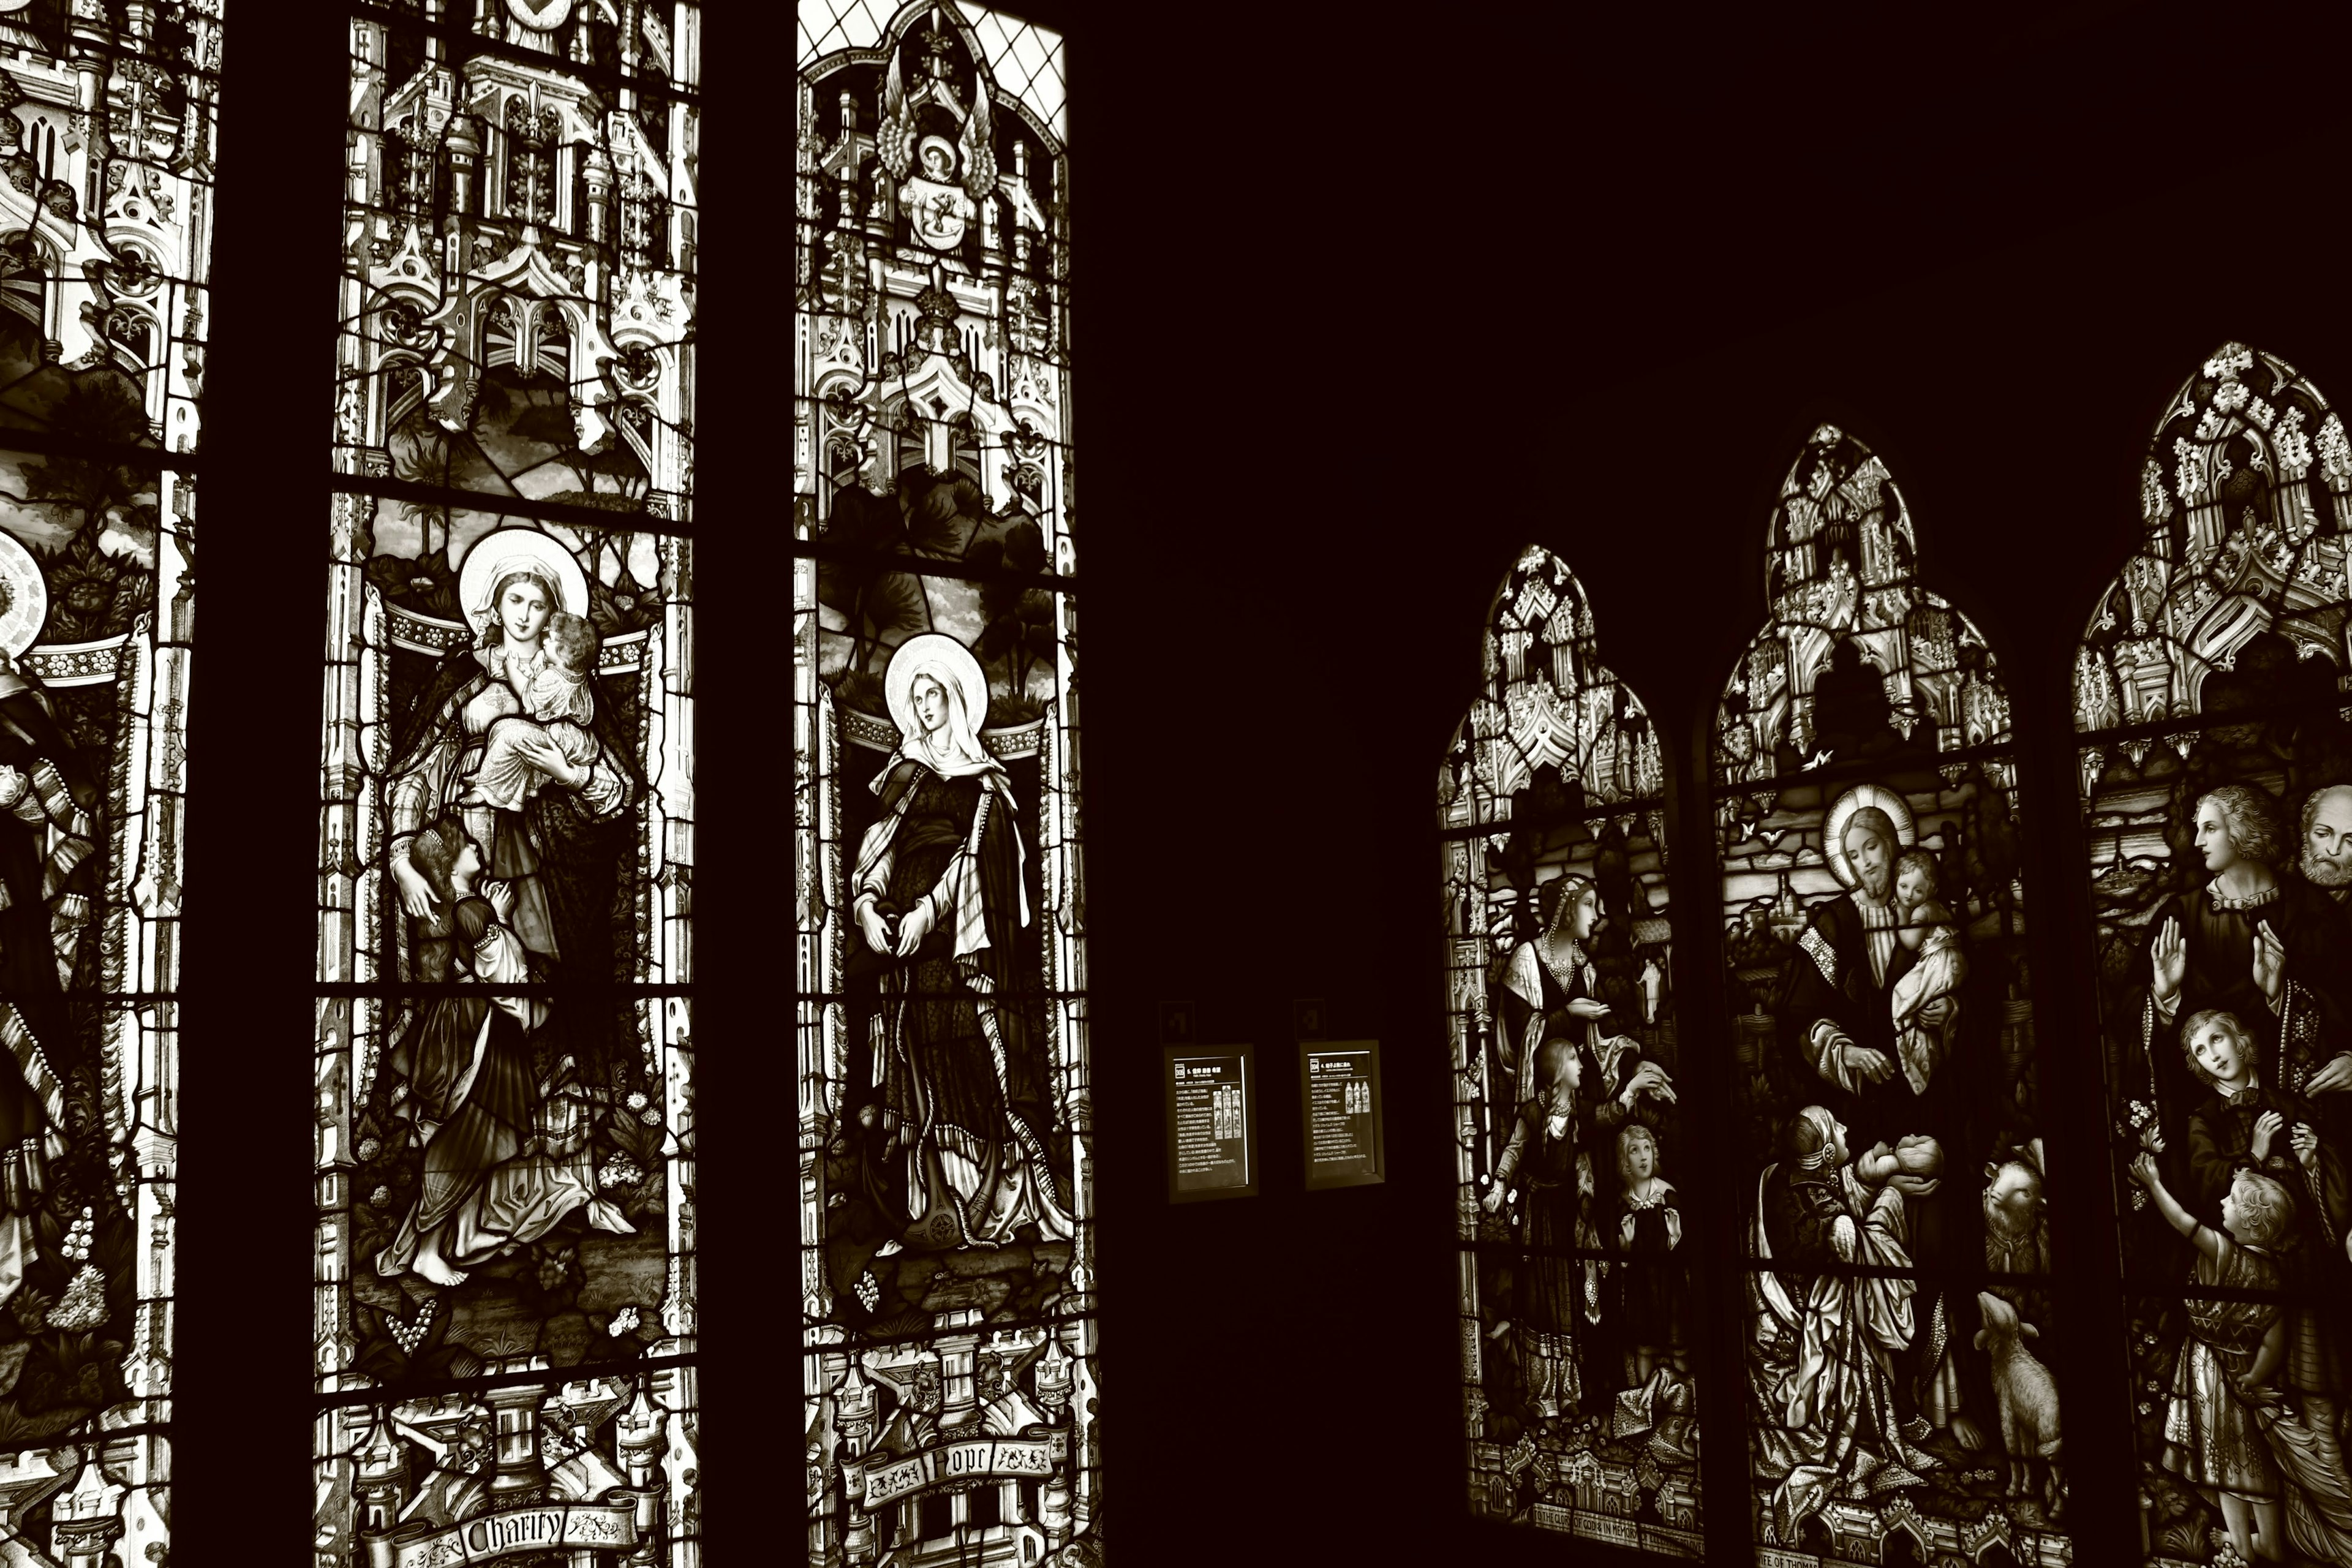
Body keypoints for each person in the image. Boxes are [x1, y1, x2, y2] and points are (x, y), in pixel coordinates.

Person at [381, 532, 638, 1060]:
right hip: (467, 843)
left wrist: (568, 775)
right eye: (515, 599)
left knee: (540, 974)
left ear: (554, 614)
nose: (524, 615)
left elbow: (617, 788)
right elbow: (415, 774)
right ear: (495, 602)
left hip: (543, 853)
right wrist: (402, 857)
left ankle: (554, 1082)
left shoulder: (575, 684)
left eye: (538, 603)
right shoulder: (461, 675)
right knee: (468, 975)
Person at [852, 633, 1071, 1251]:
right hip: (906, 946)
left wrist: (930, 912)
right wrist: (870, 904)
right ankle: (933, 1200)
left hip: (961, 945)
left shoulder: (985, 786)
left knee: (972, 1049)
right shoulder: (908, 778)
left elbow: (976, 862)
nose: (923, 708)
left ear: (954, 699)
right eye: (915, 698)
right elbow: (882, 849)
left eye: (932, 696)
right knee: (917, 1058)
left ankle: (992, 1195)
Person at [376, 815, 630, 1286]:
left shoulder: (470, 908)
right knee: (466, 1138)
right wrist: (505, 920)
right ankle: (426, 1251)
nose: (478, 846)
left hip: (477, 1031)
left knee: (475, 1139)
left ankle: (445, 1240)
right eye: (467, 845)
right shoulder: (474, 912)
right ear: (451, 868)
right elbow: (506, 981)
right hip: (479, 1038)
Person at [1748, 1106, 1940, 1542]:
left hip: (1797, 1309)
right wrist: (1891, 1196)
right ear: (1830, 1150)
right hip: (1823, 1325)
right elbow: (1856, 1245)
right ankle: (1878, 1434)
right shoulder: (1829, 1215)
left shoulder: (1779, 1177)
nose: (1849, 1125)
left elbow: (1826, 1188)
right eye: (1839, 1125)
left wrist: (1872, 1176)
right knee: (1859, 1338)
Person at [2133, 1152, 2293, 1563]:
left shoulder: (2225, 1253)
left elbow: (2183, 1224)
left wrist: (2153, 1184)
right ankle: (2266, 1544)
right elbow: (2275, 1341)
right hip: (2243, 1377)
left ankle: (2247, 1547)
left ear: (2251, 1223)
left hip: (2209, 1373)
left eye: (2232, 1200)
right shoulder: (2274, 1273)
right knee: (2251, 1465)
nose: (2222, 1203)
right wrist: (2256, 1378)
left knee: (2226, 1467)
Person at [0, 647, 99, 1308]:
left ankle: (20, 1251)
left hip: (16, 931)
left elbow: (76, 816)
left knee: (11, 1087)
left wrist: (25, 804)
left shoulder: (22, 709)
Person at [1485, 1038, 1588, 1421]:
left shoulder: (1580, 1114)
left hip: (1564, 1218)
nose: (1581, 1065)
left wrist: (1630, 1091)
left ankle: (1566, 1392)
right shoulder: (1531, 1113)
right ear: (1557, 1069)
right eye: (1574, 1058)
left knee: (1565, 1300)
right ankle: (1540, 1392)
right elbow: (1514, 1150)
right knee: (1537, 1300)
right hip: (1537, 1216)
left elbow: (1602, 1127)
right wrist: (1498, 1185)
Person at [459, 610, 601, 826]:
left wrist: (512, 668)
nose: (545, 641)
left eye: (552, 640)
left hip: (559, 742)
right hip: (572, 739)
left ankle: (485, 792)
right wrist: (543, 655)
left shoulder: (553, 678)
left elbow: (528, 698)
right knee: (502, 728)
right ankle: (486, 776)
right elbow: (554, 661)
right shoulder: (574, 672)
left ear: (566, 651)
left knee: (508, 734)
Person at [1889, 848, 1966, 1099]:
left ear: (1931, 891)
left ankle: (1910, 1044)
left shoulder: (1922, 911)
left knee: (1902, 996)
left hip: (1939, 963)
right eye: (1903, 886)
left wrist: (1900, 912)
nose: (1909, 895)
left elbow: (1910, 942)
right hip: (1953, 963)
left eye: (1917, 890)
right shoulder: (1938, 908)